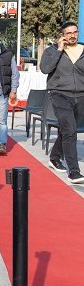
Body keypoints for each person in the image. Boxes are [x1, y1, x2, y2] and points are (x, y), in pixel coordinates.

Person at [40, 21, 84, 184]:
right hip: (59, 94)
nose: (72, 35)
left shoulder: (83, 49)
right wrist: (59, 50)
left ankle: (54, 158)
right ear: (62, 35)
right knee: (70, 130)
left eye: (75, 32)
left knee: (68, 129)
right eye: (68, 33)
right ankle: (74, 172)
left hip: (81, 95)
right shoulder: (51, 50)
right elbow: (45, 69)